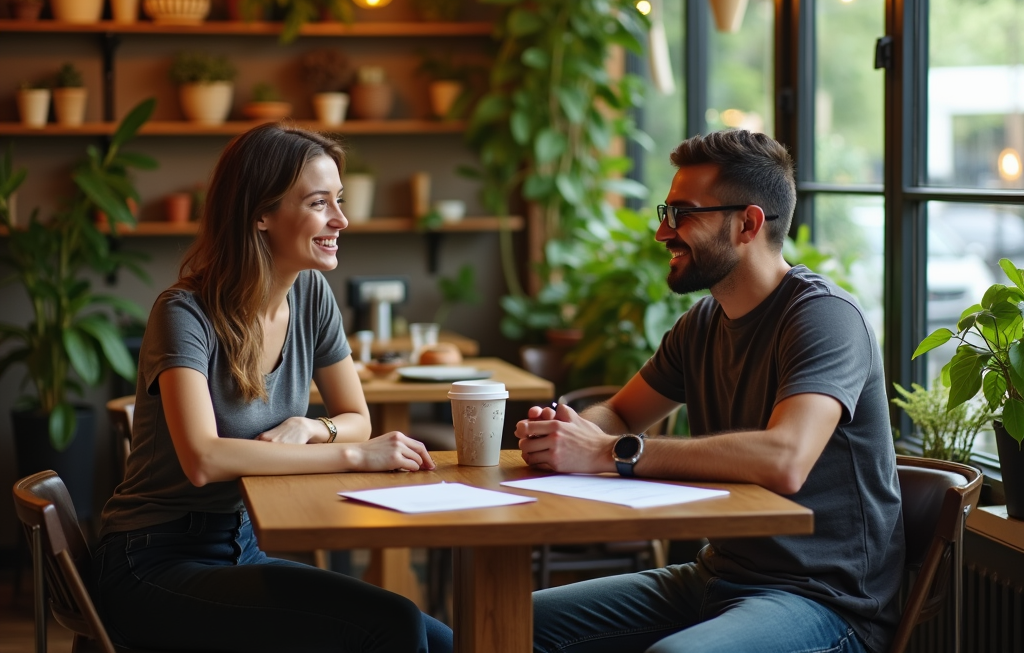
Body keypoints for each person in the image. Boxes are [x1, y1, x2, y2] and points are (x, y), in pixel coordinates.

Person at [515, 129, 904, 653]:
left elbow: (785, 457)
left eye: (682, 214)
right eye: (665, 211)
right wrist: (570, 431)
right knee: (512, 625)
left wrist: (608, 452)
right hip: (717, 580)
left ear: (747, 224)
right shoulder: (701, 323)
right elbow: (621, 414)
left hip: (827, 603)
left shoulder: (825, 317)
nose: (661, 232)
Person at [92, 124, 452, 653]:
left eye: (340, 200)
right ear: (260, 214)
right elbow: (204, 459)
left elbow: (356, 415)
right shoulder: (183, 313)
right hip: (153, 558)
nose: (340, 219)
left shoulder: (311, 295)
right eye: (318, 202)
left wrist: (312, 426)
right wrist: (354, 456)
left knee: (440, 637)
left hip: (241, 545)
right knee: (390, 624)